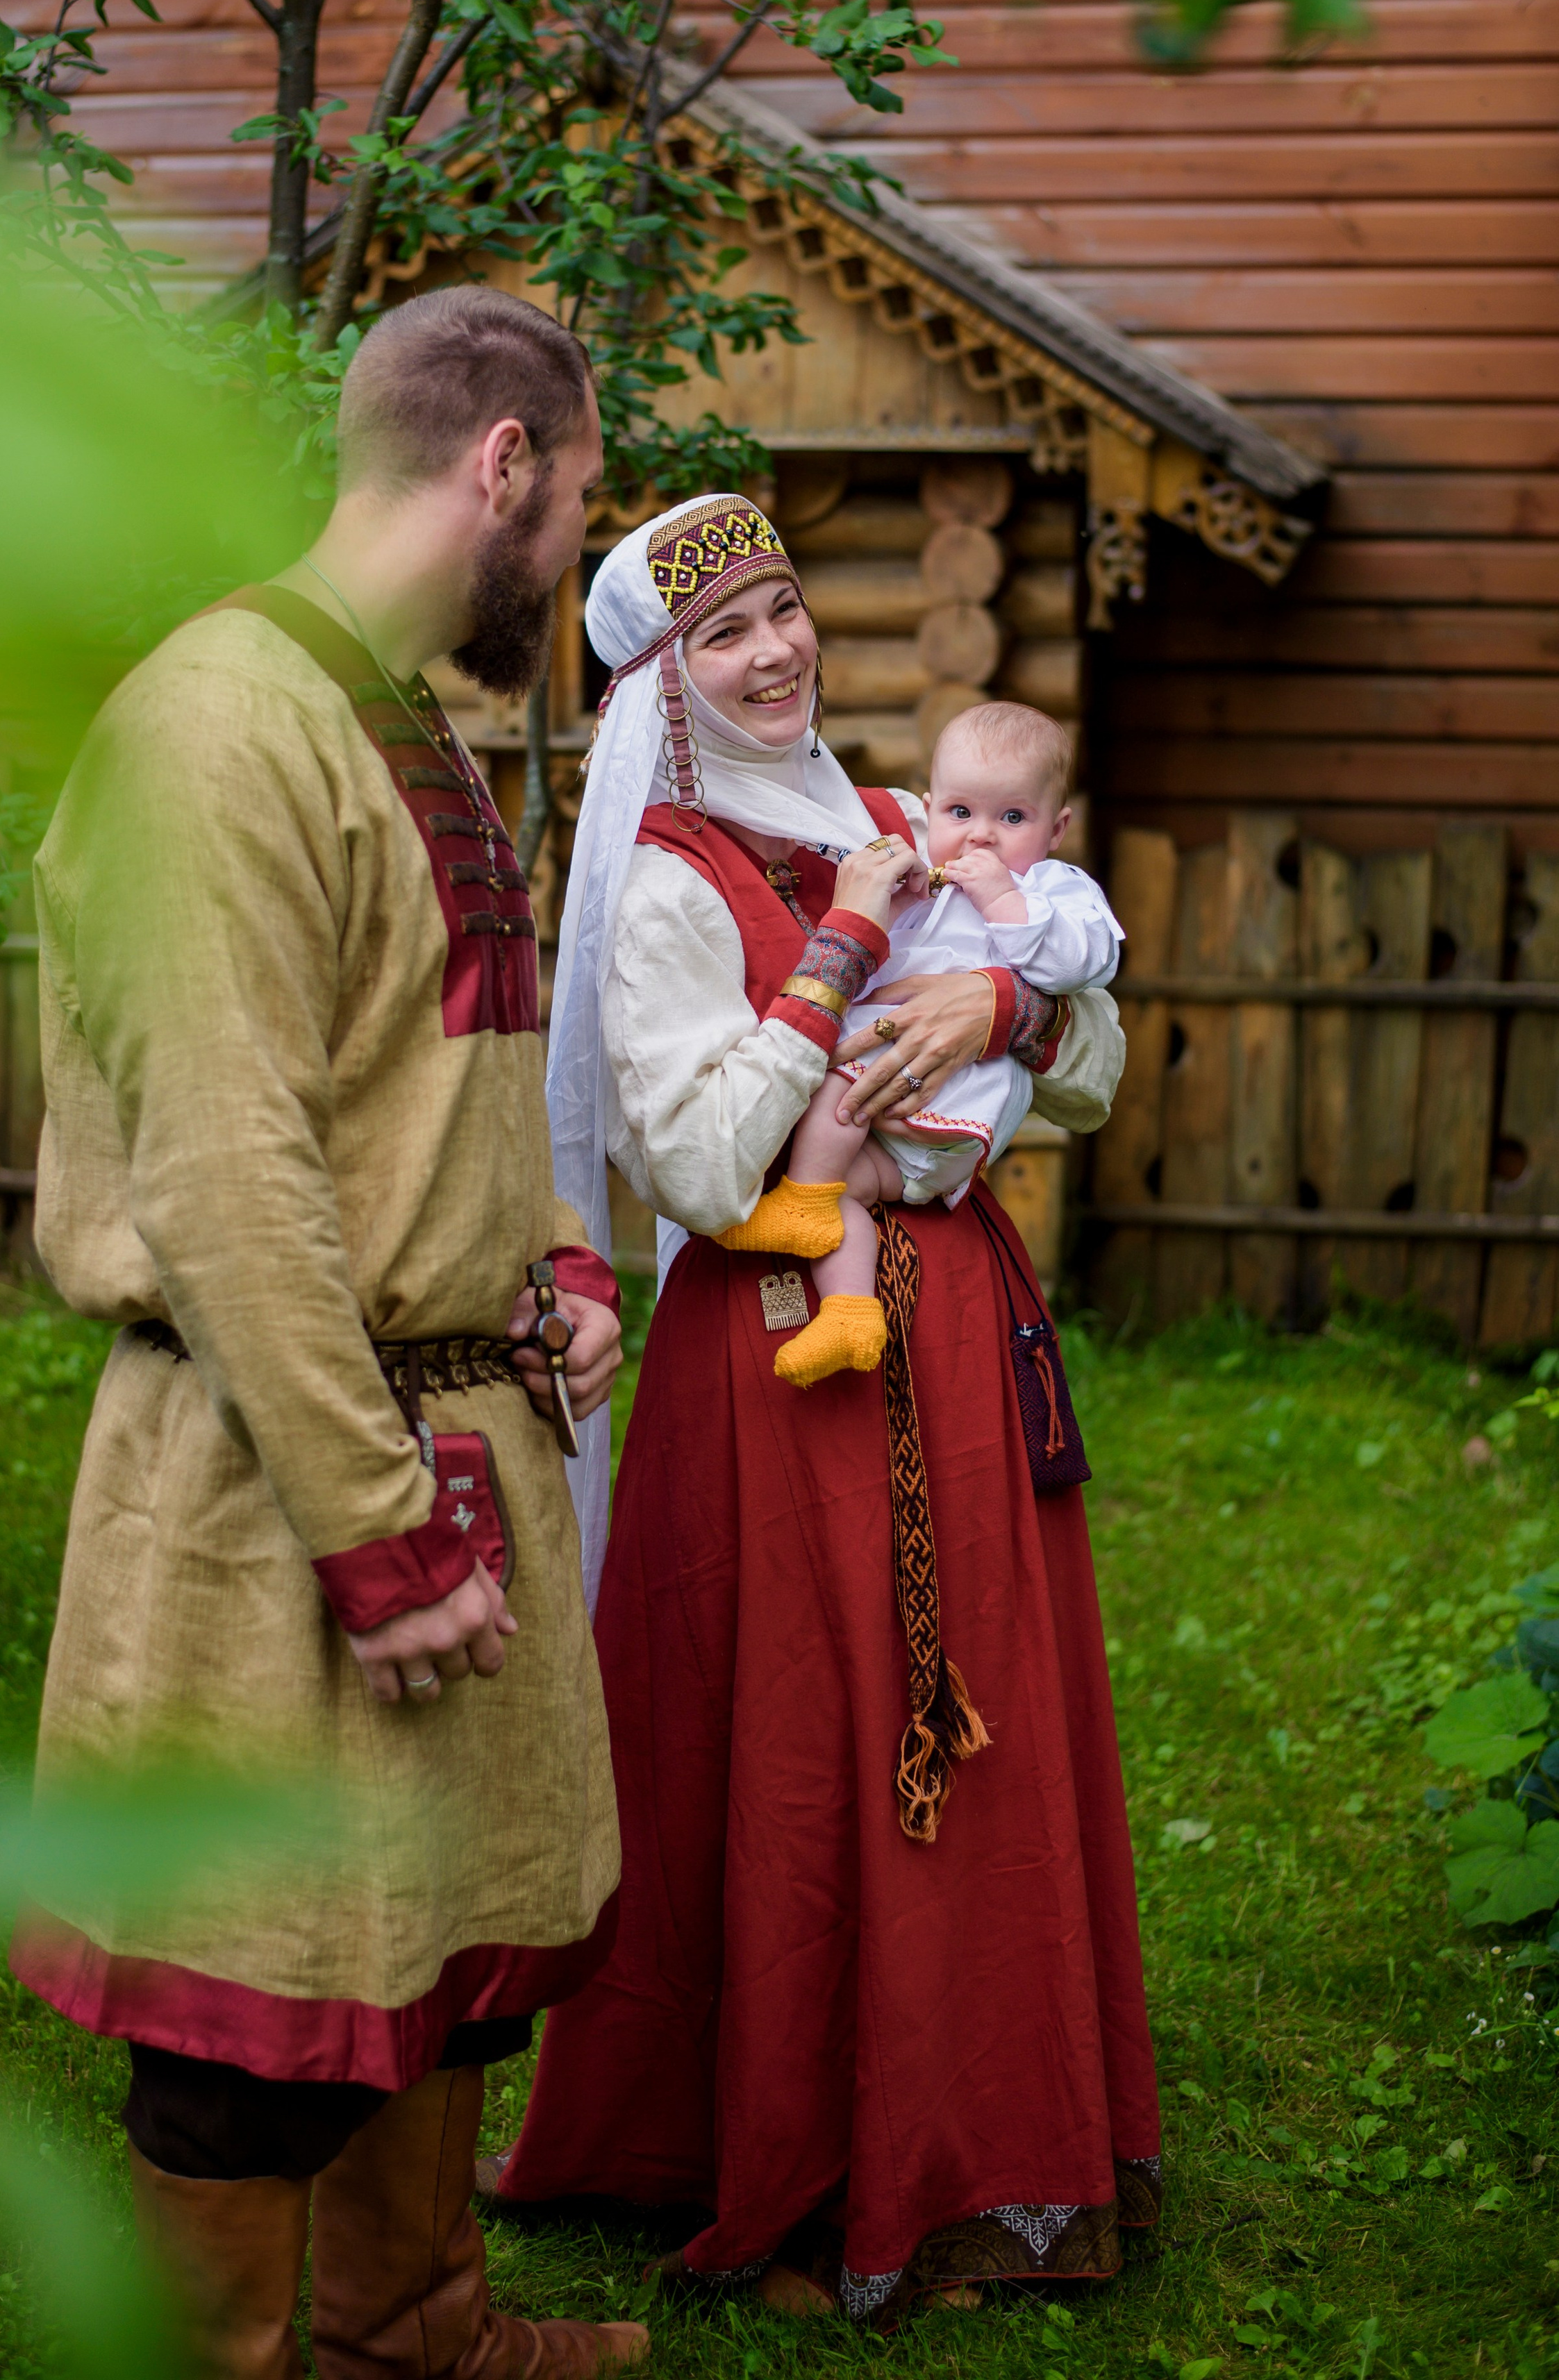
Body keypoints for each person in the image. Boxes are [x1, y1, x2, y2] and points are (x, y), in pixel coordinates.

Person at [12, 286, 649, 2380]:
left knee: (438, 1941)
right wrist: (376, 1535)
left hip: (456, 1428)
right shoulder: (218, 732)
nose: (564, 554)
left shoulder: (407, 724)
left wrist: (547, 1253)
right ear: (501, 467)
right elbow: (221, 1175)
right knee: (252, 1996)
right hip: (275, 1482)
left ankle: (413, 2330)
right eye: (569, 505)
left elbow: (429, 1088)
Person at [491, 492, 1160, 2327]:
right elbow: (698, 1158)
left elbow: (1093, 1059)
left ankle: (967, 2132)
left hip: (956, 1338)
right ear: (666, 682)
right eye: (731, 634)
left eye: (787, 610)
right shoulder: (664, 879)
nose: (778, 648)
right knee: (812, 1751)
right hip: (774, 1369)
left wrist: (1003, 1023)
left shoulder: (900, 817)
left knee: (971, 1737)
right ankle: (781, 2148)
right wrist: (852, 962)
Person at [724, 696, 1124, 1386]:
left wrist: (1004, 904)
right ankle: (850, 1311)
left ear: (1057, 827)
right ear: (932, 808)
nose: (981, 840)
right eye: (961, 814)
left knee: (831, 1093)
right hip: (904, 1154)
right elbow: (879, 972)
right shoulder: (927, 889)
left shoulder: (1055, 889)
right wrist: (896, 911)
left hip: (952, 1104)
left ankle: (804, 1197)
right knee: (845, 1189)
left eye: (1013, 818)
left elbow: (1086, 963)